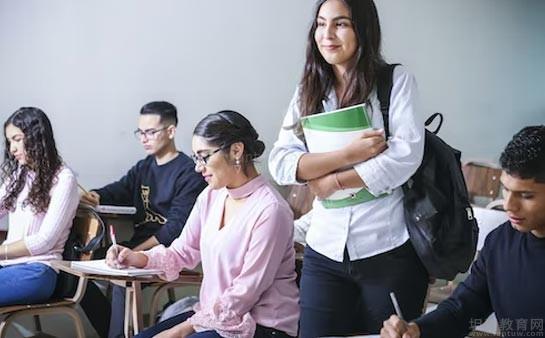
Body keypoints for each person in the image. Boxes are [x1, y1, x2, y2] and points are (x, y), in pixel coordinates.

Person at [268, 0, 429, 336]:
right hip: (324, 248)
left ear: (363, 29)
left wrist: (331, 181)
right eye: (321, 24)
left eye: (340, 24)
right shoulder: (308, 88)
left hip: (387, 248)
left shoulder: (395, 81)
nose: (327, 34)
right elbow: (281, 162)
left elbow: (404, 158)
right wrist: (347, 156)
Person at [107, 110, 300, 338]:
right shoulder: (211, 196)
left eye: (204, 156)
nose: (198, 167)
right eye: (196, 158)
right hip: (215, 317)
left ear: (236, 150)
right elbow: (183, 251)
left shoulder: (271, 211)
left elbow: (244, 293)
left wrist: (179, 331)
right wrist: (137, 257)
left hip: (263, 326)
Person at [381, 125, 545, 338]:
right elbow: (464, 308)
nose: (509, 205)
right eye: (506, 189)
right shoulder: (500, 242)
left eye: (526, 195)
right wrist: (417, 330)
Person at [79, 101, 207, 338]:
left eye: (151, 132)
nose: (144, 138)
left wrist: (136, 254)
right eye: (140, 132)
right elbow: (121, 188)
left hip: (169, 250)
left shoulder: (189, 171)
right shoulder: (144, 166)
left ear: (170, 131)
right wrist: (96, 195)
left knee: (120, 281)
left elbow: (174, 230)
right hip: (138, 246)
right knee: (83, 273)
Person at [0, 107, 79, 306]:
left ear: (36, 137)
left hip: (37, 271)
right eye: (10, 141)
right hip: (8, 267)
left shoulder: (63, 179)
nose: (12, 149)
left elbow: (44, 242)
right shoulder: (19, 175)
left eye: (17, 139)